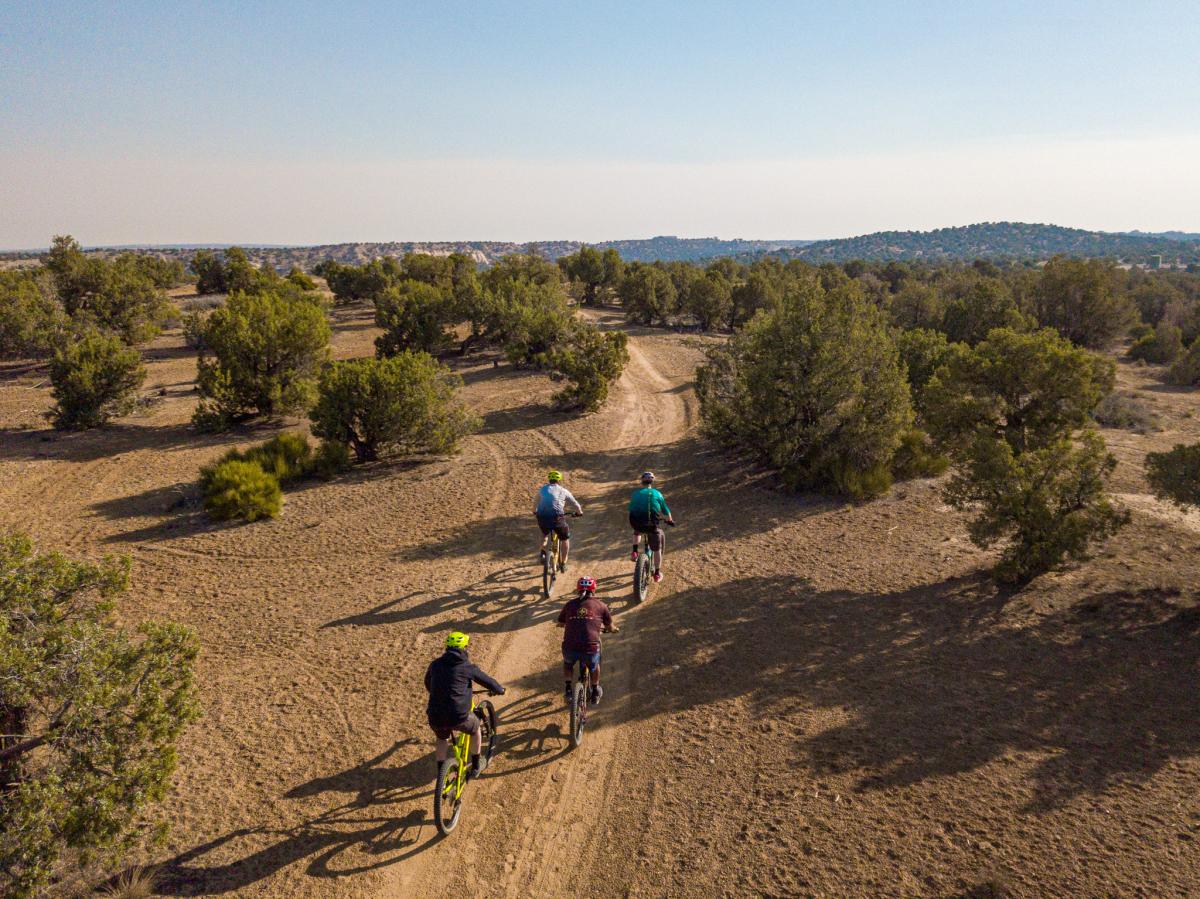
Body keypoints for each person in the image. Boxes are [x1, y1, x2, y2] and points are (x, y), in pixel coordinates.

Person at [425, 631, 505, 779]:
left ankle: (442, 774)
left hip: (435, 715)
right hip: (459, 716)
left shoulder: (435, 664)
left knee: (442, 738)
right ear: (463, 648)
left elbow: (428, 683)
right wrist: (499, 689)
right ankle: (475, 766)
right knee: (475, 730)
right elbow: (488, 681)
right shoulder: (467, 667)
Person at [557, 576, 618, 705]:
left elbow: (561, 623)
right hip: (590, 647)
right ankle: (595, 690)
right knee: (594, 666)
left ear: (577, 589)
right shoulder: (601, 605)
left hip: (570, 646)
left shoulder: (569, 605)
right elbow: (610, 627)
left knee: (568, 664)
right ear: (594, 589)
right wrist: (613, 629)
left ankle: (568, 689)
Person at [628, 471, 674, 582]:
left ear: (642, 481)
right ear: (652, 481)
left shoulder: (635, 494)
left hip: (636, 523)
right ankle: (657, 573)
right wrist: (670, 521)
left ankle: (634, 551)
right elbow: (666, 511)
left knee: (637, 530)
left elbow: (631, 509)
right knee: (657, 549)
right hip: (652, 525)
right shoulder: (657, 494)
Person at [534, 470, 583, 573]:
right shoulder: (563, 491)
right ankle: (563, 563)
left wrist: (534, 511)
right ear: (559, 480)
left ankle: (543, 551)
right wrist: (579, 512)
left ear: (549, 480)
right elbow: (575, 503)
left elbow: (536, 501)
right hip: (557, 518)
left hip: (542, 516)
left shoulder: (542, 489)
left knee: (544, 534)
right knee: (565, 539)